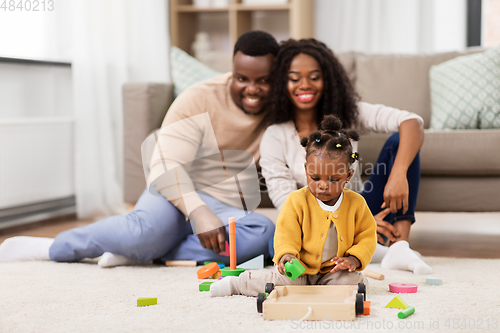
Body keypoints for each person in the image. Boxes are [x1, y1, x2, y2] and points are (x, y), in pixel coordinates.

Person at [0, 31, 279, 267]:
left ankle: (143, 254)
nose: (252, 89)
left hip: (226, 203)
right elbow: (165, 163)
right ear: (232, 70)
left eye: (263, 81)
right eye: (242, 78)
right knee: (145, 234)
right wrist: (198, 210)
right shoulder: (200, 97)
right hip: (176, 189)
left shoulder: (283, 108)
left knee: (262, 234)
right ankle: (53, 248)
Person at [260, 38, 432, 275]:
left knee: (400, 141)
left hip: (357, 207)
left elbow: (412, 122)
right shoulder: (274, 135)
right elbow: (286, 203)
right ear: (282, 82)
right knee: (276, 243)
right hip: (310, 222)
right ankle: (380, 249)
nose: (304, 85)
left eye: (314, 76)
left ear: (327, 79)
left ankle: (400, 242)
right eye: (294, 78)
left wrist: (398, 174)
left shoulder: (349, 113)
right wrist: (359, 226)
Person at [210, 115, 376, 297]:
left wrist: (353, 259)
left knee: (350, 282)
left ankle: (335, 286)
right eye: (315, 178)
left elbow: (367, 236)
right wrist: (286, 255)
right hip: (300, 269)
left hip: (333, 271)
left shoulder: (357, 203)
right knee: (281, 282)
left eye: (333, 179)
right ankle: (238, 284)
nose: (323, 185)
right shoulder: (296, 201)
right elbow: (285, 234)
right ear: (306, 170)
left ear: (348, 175)